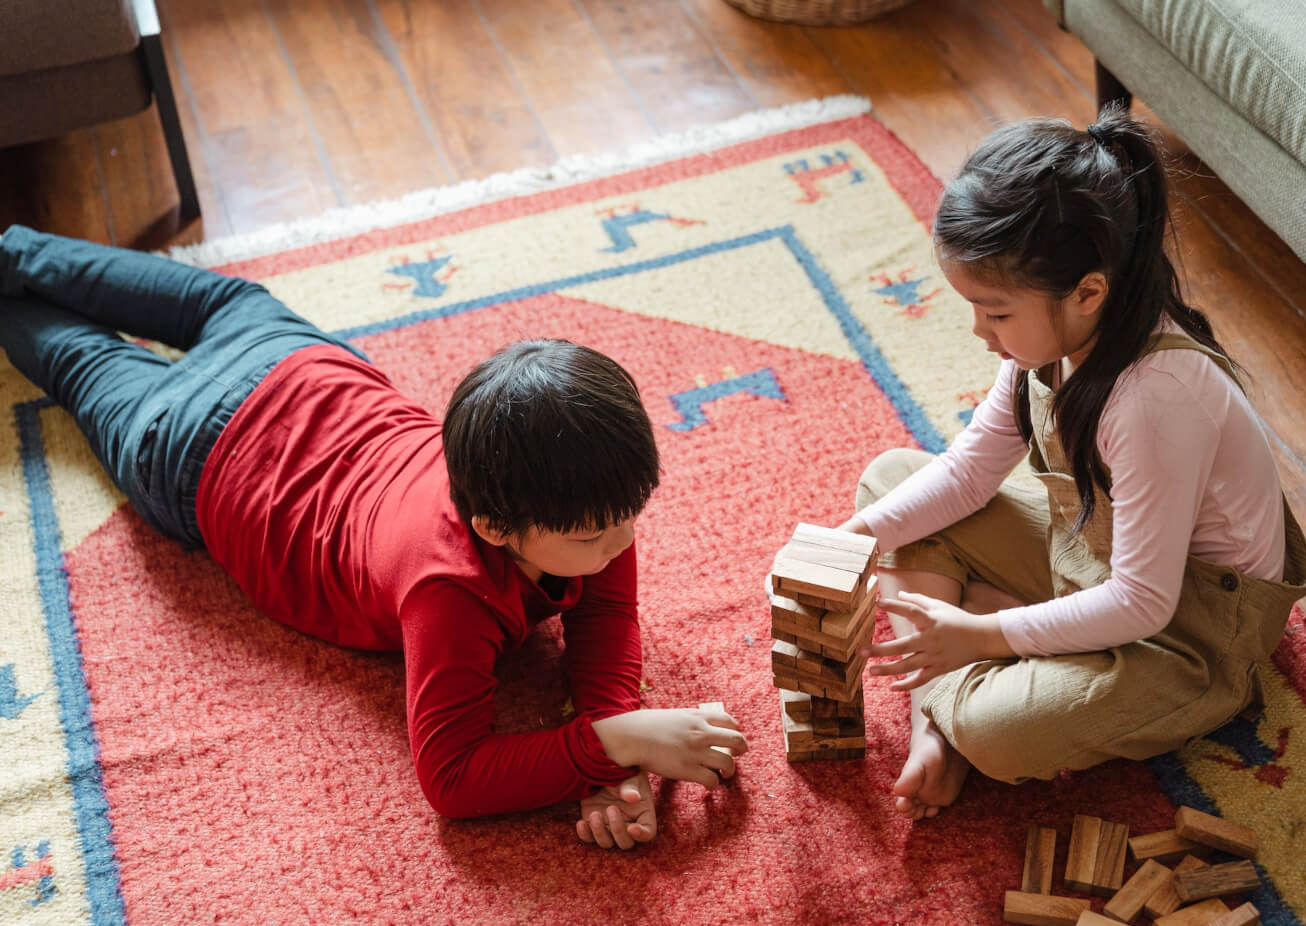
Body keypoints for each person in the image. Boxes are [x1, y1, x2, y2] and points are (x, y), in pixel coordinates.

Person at [0, 226, 747, 849]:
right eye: (594, 537)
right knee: (73, 352)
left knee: (42, 265)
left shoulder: (585, 503)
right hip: (192, 449)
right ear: (493, 527)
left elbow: (606, 614)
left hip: (288, 353)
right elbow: (451, 780)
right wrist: (615, 744)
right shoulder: (448, 589)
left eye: (631, 517)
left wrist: (613, 756)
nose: (620, 545)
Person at [834, 107, 1306, 819]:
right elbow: (969, 473)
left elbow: (1143, 602)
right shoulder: (1053, 339)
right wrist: (851, 542)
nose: (979, 332)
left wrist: (981, 633)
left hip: (1191, 630)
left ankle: (950, 705)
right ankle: (961, 685)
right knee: (892, 482)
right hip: (1093, 556)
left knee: (998, 738)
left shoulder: (1154, 398)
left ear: (1089, 291)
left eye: (995, 314)